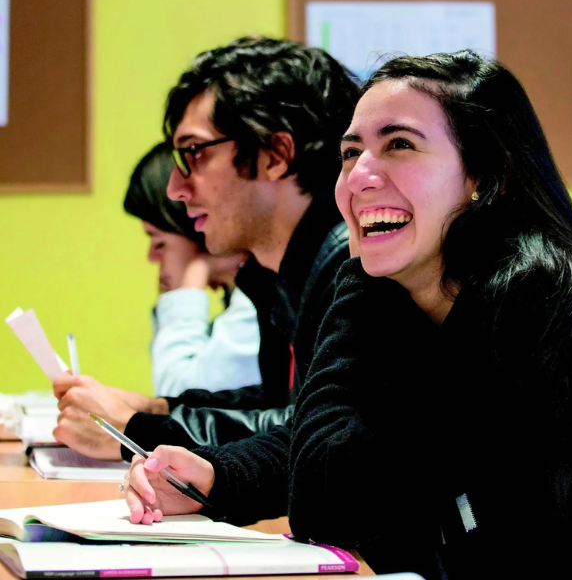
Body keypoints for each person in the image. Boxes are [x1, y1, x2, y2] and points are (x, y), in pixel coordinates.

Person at [284, 51, 572, 578]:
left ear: (487, 178)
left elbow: (328, 498)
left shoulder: (532, 309)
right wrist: (221, 474)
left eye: (399, 145)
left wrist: (360, 279)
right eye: (350, 151)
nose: (357, 177)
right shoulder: (407, 296)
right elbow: (333, 450)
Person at [53, 36, 358, 466]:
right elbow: (279, 403)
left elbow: (313, 437)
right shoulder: (278, 273)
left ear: (274, 156)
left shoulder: (353, 267)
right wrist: (158, 410)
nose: (176, 190)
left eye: (193, 154)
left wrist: (134, 430)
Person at [123, 141, 261, 397]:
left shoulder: (256, 304)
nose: (152, 257)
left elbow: (181, 397)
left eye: (159, 242)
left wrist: (191, 282)